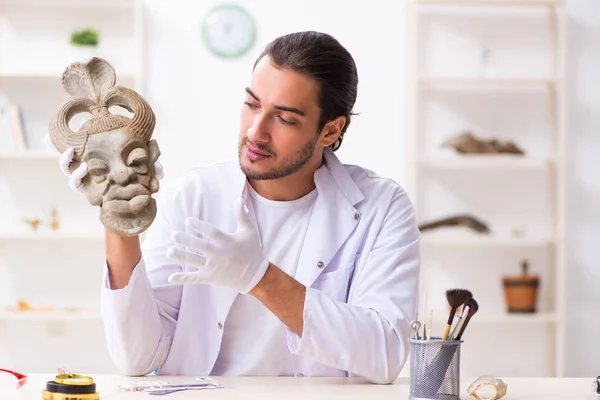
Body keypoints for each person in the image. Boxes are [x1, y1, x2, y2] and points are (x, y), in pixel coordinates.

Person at [56, 30, 420, 384]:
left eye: (285, 118)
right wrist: (120, 219)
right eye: (251, 104)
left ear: (329, 131)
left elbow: (384, 354)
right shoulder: (193, 197)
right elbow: (137, 358)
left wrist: (261, 278)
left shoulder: (381, 208)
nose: (255, 132)